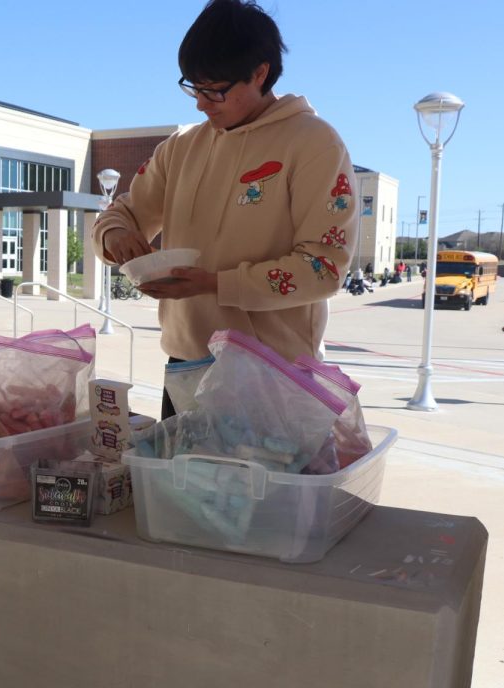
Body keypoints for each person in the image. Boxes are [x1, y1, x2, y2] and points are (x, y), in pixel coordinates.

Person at [93, 0, 358, 418]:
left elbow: (323, 268)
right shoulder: (180, 148)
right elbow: (120, 212)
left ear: (260, 73)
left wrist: (215, 284)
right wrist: (117, 237)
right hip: (186, 366)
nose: (201, 103)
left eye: (215, 90)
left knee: (254, 486)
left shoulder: (314, 144)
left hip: (271, 373)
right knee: (176, 484)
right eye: (193, 87)